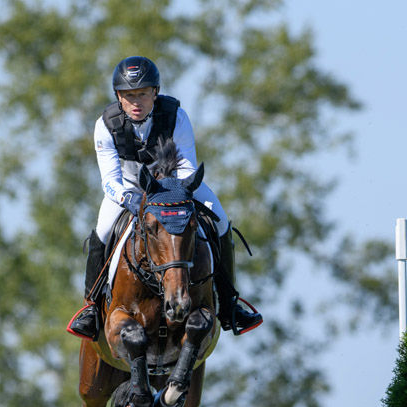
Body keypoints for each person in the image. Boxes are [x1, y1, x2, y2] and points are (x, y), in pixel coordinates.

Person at [67, 55, 263, 342]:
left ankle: (229, 304)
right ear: (119, 96)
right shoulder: (105, 125)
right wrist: (129, 199)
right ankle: (92, 307)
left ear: (155, 93)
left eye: (143, 94)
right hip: (129, 189)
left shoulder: (176, 116)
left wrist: (172, 192)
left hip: (175, 187)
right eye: (129, 95)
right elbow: (110, 180)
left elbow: (188, 169)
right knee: (104, 230)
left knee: (220, 220)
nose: (136, 102)